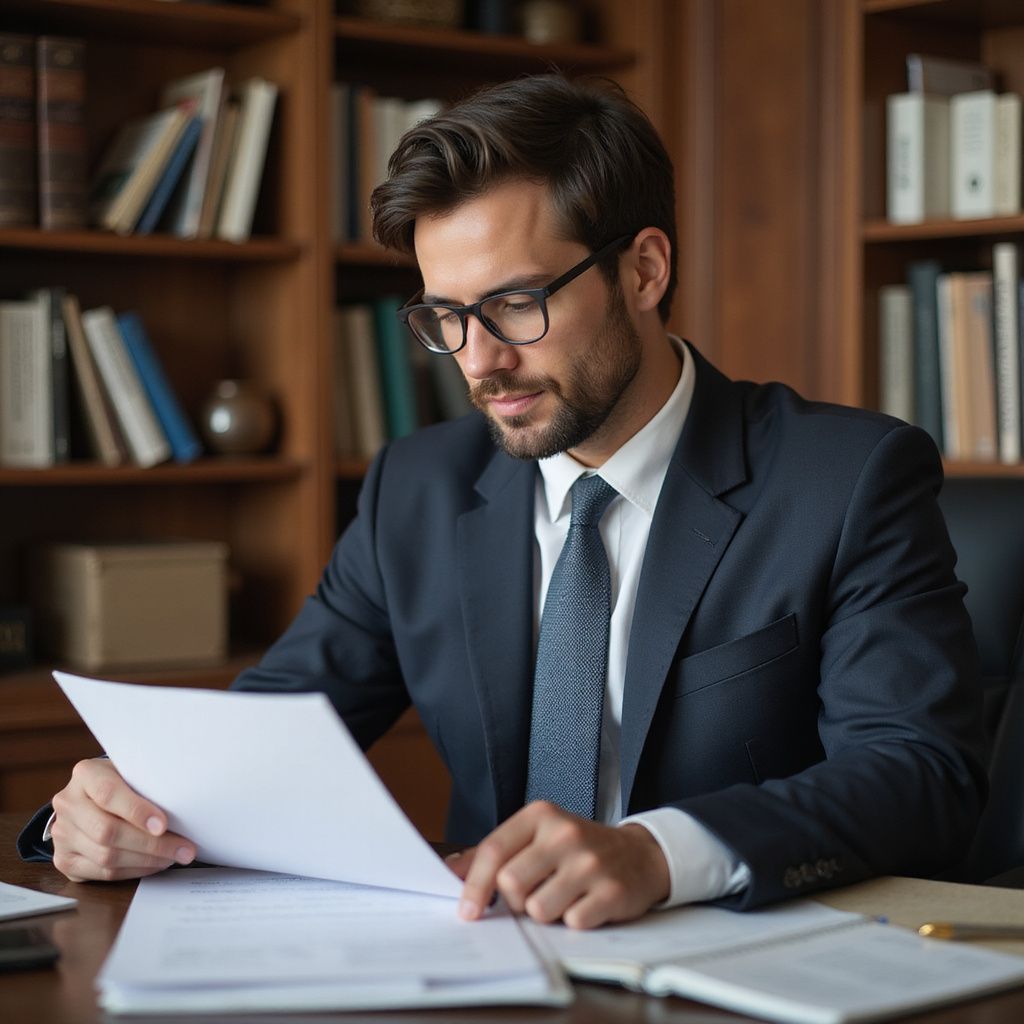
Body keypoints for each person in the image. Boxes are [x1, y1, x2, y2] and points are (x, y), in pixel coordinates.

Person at [20, 75, 985, 930]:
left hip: (746, 967)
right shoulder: (416, 490)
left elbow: (918, 774)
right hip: (483, 961)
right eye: (446, 316)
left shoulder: (848, 477)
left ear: (644, 270)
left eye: (516, 305)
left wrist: (658, 854)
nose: (479, 361)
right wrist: (129, 810)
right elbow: (269, 741)